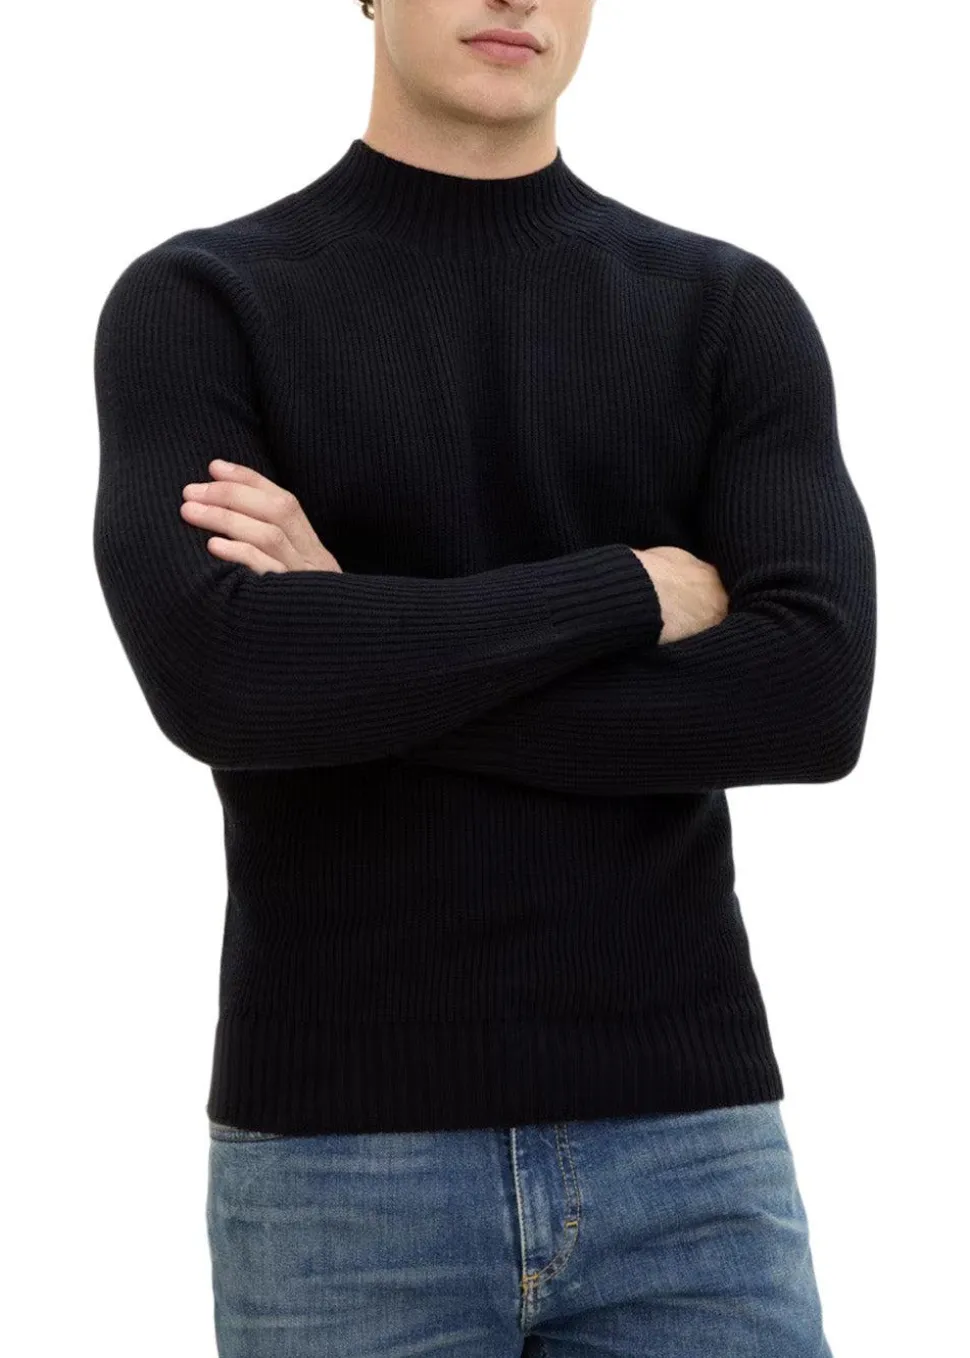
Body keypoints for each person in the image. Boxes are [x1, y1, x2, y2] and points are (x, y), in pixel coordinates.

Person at [92, 1, 877, 1354]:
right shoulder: (202, 302)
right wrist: (626, 590)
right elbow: (219, 681)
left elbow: (809, 700)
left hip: (691, 1155)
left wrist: (352, 640)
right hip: (340, 1165)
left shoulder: (727, 310)